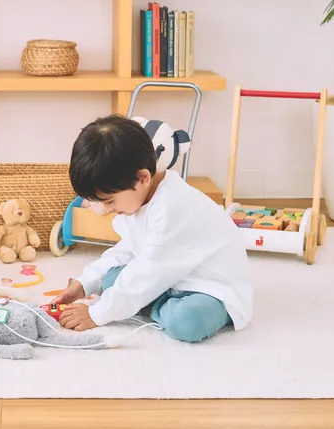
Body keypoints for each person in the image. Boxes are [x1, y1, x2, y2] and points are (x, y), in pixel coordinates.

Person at [53, 115, 253, 343]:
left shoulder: (172, 207)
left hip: (210, 289)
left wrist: (96, 314)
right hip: (168, 276)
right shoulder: (135, 202)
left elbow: (148, 270)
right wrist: (84, 283)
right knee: (109, 280)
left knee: (185, 322)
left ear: (142, 178)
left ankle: (150, 301)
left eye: (109, 201)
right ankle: (147, 297)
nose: (105, 210)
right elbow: (126, 250)